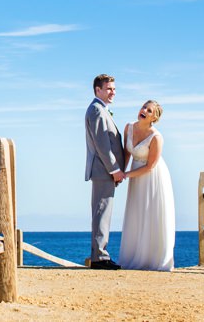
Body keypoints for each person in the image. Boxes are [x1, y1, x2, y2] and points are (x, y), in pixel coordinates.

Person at [119, 100, 176, 271]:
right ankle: (133, 257)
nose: (144, 110)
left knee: (151, 213)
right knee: (136, 212)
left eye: (149, 110)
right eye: (144, 107)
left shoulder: (156, 137)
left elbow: (150, 166)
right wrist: (120, 172)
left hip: (153, 177)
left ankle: (154, 259)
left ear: (154, 118)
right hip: (135, 174)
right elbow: (126, 153)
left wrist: (126, 174)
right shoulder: (129, 128)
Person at [84, 73, 125, 270]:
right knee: (102, 212)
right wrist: (115, 169)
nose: (113, 92)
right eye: (109, 89)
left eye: (114, 89)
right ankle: (100, 257)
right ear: (97, 90)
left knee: (103, 211)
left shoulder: (101, 110)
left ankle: (99, 255)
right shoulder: (97, 110)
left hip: (104, 170)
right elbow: (103, 145)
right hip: (103, 170)